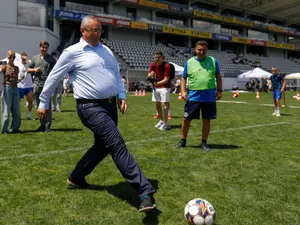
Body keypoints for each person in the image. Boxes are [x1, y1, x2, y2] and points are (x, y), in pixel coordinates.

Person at [36, 15, 156, 212]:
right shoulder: (72, 52)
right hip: (89, 107)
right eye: (95, 30)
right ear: (83, 31)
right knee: (116, 144)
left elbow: (115, 74)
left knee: (103, 147)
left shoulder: (106, 50)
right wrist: (43, 102)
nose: (99, 33)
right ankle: (145, 192)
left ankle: (76, 177)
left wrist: (121, 95)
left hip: (110, 106)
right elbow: (53, 77)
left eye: (100, 30)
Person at [174, 40, 222, 152]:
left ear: (207, 50)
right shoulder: (189, 62)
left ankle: (204, 142)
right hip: (194, 96)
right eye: (199, 50)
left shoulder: (213, 61)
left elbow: (218, 77)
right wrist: (183, 91)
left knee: (207, 120)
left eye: (204, 50)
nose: (202, 52)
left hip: (209, 96)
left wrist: (219, 90)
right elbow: (183, 78)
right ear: (195, 50)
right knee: (186, 119)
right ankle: (183, 140)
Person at [27, 41, 56, 132]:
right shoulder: (35, 58)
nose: (44, 49)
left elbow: (55, 71)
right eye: (43, 47)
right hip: (37, 85)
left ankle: (47, 126)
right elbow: (28, 69)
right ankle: (42, 125)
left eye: (46, 47)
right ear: (40, 47)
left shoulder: (51, 59)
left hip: (46, 86)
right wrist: (35, 69)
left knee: (47, 106)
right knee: (39, 106)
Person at [148, 50, 171, 130]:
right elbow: (149, 75)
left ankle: (165, 123)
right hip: (156, 87)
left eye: (158, 57)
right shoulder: (152, 64)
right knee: (157, 104)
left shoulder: (166, 66)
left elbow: (166, 79)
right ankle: (161, 121)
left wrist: (156, 83)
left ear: (162, 58)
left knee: (165, 104)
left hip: (165, 87)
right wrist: (150, 75)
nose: (157, 59)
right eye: (155, 57)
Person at [0, 50, 22, 134]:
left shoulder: (16, 68)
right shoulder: (4, 66)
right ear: (8, 57)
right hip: (7, 88)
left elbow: (16, 77)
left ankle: (15, 128)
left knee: (17, 110)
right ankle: (5, 129)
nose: (12, 58)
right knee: (6, 109)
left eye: (13, 57)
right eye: (10, 57)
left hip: (15, 88)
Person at [17, 52, 35, 120]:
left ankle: (29, 114)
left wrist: (27, 60)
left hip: (28, 86)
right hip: (19, 86)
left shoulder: (29, 63)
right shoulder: (18, 64)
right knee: (17, 103)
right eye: (23, 57)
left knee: (30, 101)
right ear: (21, 57)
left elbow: (33, 64)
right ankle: (17, 115)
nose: (24, 58)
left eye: (25, 57)